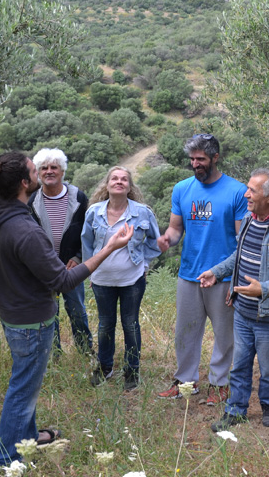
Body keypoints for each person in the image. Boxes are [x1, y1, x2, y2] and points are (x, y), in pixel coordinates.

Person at [0, 152, 133, 466]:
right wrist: (108, 248)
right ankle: (5, 457)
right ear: (25, 183)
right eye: (33, 170)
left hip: (14, 315)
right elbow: (63, 281)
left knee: (27, 383)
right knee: (22, 389)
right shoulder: (26, 230)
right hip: (31, 322)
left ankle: (28, 438)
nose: (40, 172)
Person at [199, 168, 269, 431]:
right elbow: (239, 255)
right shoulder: (250, 218)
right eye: (247, 188)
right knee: (239, 365)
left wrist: (264, 289)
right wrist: (217, 272)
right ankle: (236, 410)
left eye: (253, 190)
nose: (246, 194)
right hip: (242, 311)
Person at [156, 134, 248, 405]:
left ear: (215, 158)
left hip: (223, 276)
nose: (196, 164)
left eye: (201, 159)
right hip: (189, 274)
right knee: (185, 331)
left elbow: (242, 240)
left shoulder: (236, 191)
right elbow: (175, 229)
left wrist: (224, 273)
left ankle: (220, 384)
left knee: (224, 334)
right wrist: (166, 240)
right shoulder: (182, 189)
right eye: (192, 159)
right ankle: (186, 382)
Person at [82, 166, 161, 391]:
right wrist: (89, 270)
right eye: (114, 178)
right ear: (106, 185)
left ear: (129, 186)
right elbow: (86, 244)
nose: (119, 182)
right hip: (101, 279)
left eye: (124, 179)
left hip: (132, 279)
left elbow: (155, 242)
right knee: (105, 324)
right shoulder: (94, 212)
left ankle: (132, 371)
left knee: (130, 324)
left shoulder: (142, 212)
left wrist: (144, 264)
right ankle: (105, 367)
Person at [28, 148, 93, 355]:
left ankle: (85, 352)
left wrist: (78, 257)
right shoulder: (31, 202)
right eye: (44, 168)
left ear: (62, 171)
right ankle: (52, 355)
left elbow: (88, 232)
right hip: (44, 269)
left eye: (54, 167)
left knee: (77, 311)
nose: (49, 171)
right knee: (48, 315)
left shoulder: (79, 197)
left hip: (71, 267)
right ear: (38, 172)